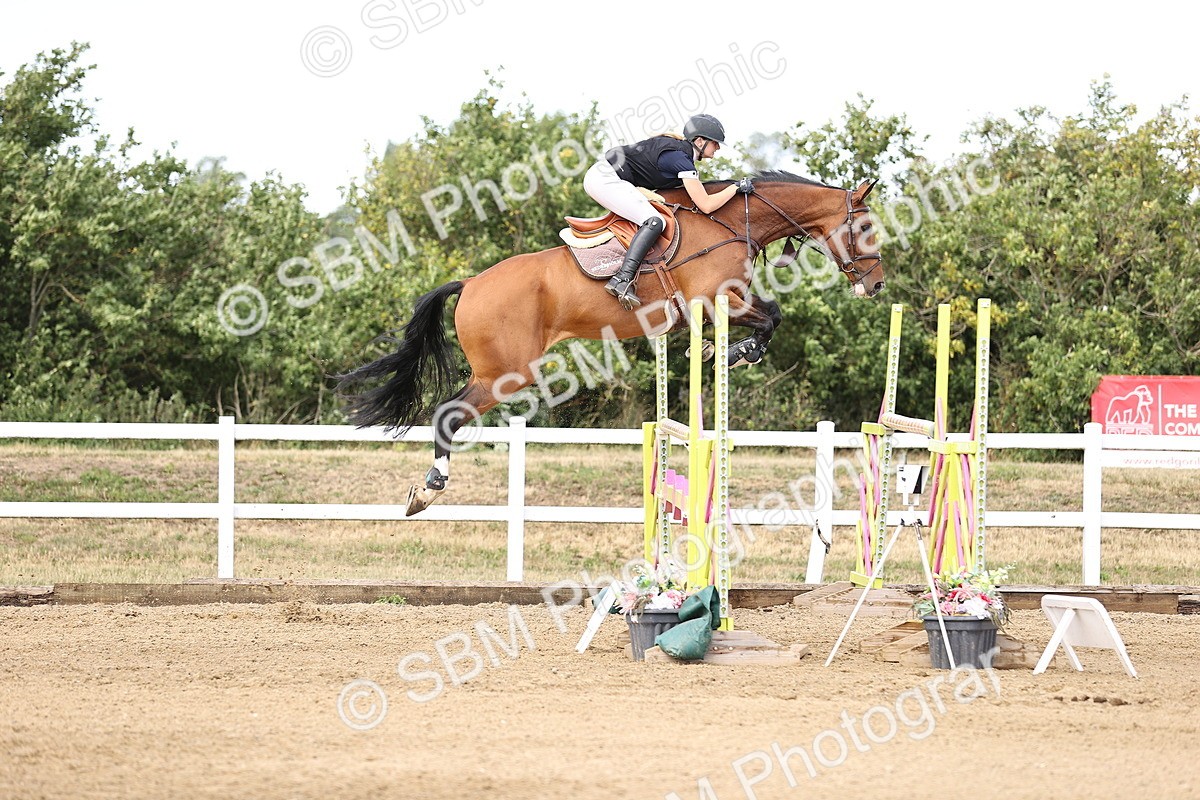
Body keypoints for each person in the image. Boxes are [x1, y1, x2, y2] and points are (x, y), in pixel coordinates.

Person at [583, 114, 753, 309]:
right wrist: (736, 187)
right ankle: (622, 279)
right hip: (605, 179)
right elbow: (706, 205)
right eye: (715, 143)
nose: (718, 148)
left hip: (608, 177)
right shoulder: (680, 159)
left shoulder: (681, 154)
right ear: (699, 141)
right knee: (655, 221)